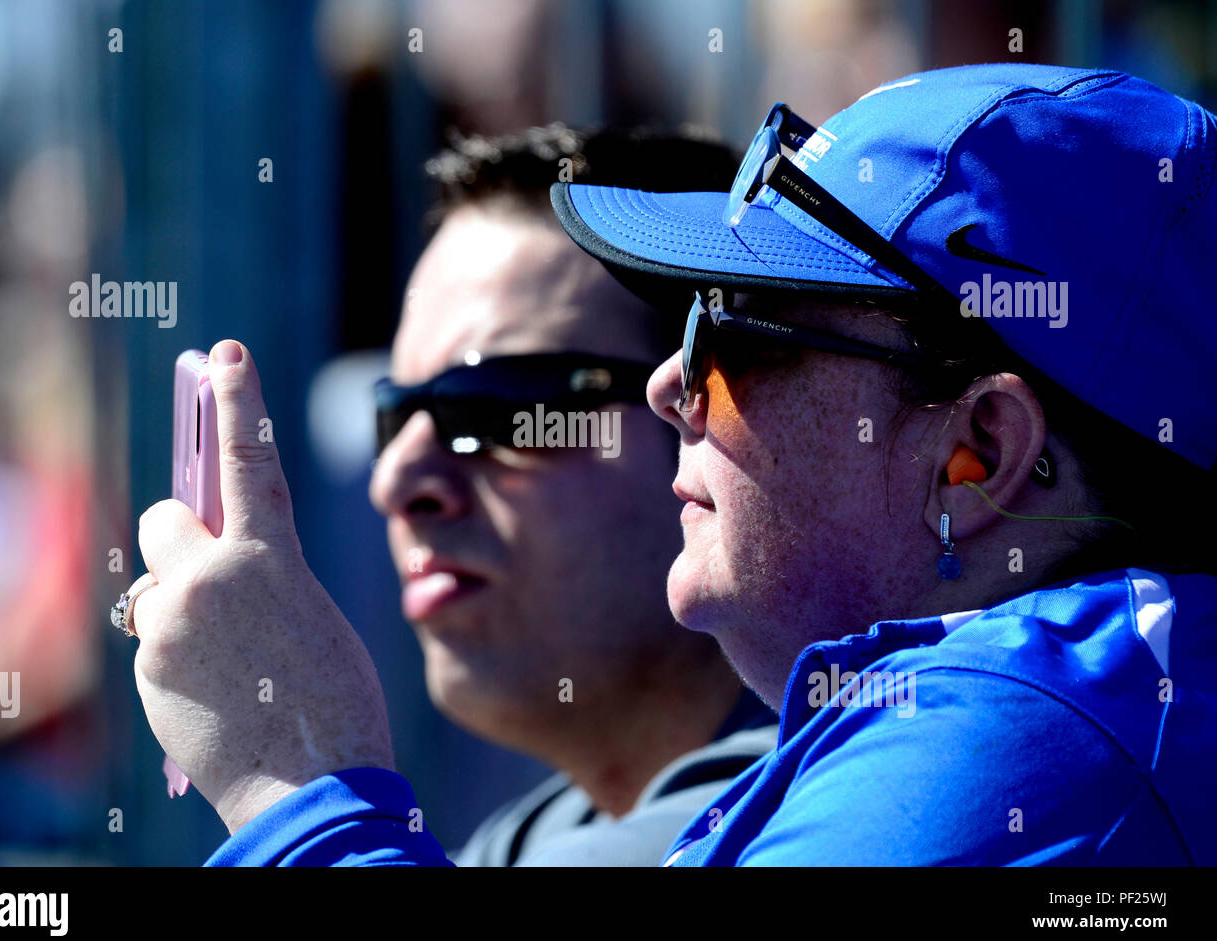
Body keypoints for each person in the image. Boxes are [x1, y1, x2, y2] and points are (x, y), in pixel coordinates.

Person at [125, 62, 1217, 865]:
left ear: (976, 452)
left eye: (734, 337)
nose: (669, 383)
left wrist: (296, 781)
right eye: (394, 410)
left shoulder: (1014, 735)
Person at [366, 126, 775, 865]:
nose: (396, 481)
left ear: (713, 419)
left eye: (497, 405)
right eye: (396, 413)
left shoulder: (823, 808)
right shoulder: (534, 838)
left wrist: (288, 787)